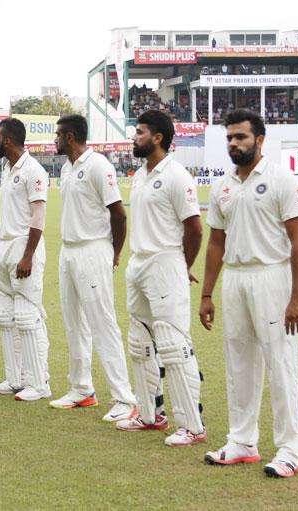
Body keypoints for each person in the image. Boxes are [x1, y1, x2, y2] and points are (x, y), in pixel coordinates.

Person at [201, 110, 298, 478]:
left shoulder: (281, 179)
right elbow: (216, 242)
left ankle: (290, 449)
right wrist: (207, 294)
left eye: (241, 137)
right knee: (239, 363)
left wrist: (296, 297)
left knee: (280, 363)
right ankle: (242, 441)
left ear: (259, 140)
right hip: (236, 279)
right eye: (230, 137)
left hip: (272, 277)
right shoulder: (223, 186)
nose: (234, 143)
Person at [115, 110, 206, 447]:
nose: (134, 137)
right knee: (140, 342)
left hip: (166, 263)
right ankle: (150, 415)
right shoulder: (140, 175)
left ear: (157, 137)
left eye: (139, 132)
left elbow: (194, 227)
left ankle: (192, 426)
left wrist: (182, 265)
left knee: (173, 345)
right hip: (139, 264)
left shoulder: (176, 175)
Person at [50, 115, 137, 420]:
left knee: (103, 323)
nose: (55, 140)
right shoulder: (66, 168)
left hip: (93, 249)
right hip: (69, 249)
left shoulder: (99, 165)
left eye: (58, 135)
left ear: (70, 136)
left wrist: (114, 253)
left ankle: (125, 398)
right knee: (74, 323)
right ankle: (82, 389)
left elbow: (119, 214)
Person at [0, 118, 51, 401]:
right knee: (5, 317)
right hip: (6, 248)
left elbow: (38, 216)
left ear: (8, 140)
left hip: (26, 247)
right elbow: (6, 214)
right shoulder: (7, 169)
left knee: (27, 317)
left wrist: (28, 255)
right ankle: (16, 379)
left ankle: (40, 383)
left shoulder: (33, 170)